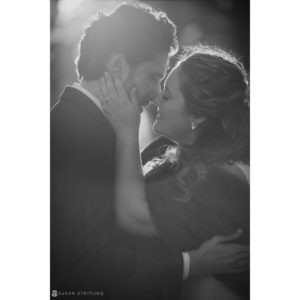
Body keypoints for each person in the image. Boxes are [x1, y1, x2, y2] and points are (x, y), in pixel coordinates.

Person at [51, 2, 249, 299]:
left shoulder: (103, 132)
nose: (156, 95)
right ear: (117, 66)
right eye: (155, 78)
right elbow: (82, 267)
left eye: (166, 89)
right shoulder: (78, 134)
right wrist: (189, 265)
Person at [98, 44, 250, 299]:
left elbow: (133, 215)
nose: (156, 98)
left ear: (198, 116)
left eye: (167, 95)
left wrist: (126, 130)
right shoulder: (166, 148)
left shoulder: (225, 181)